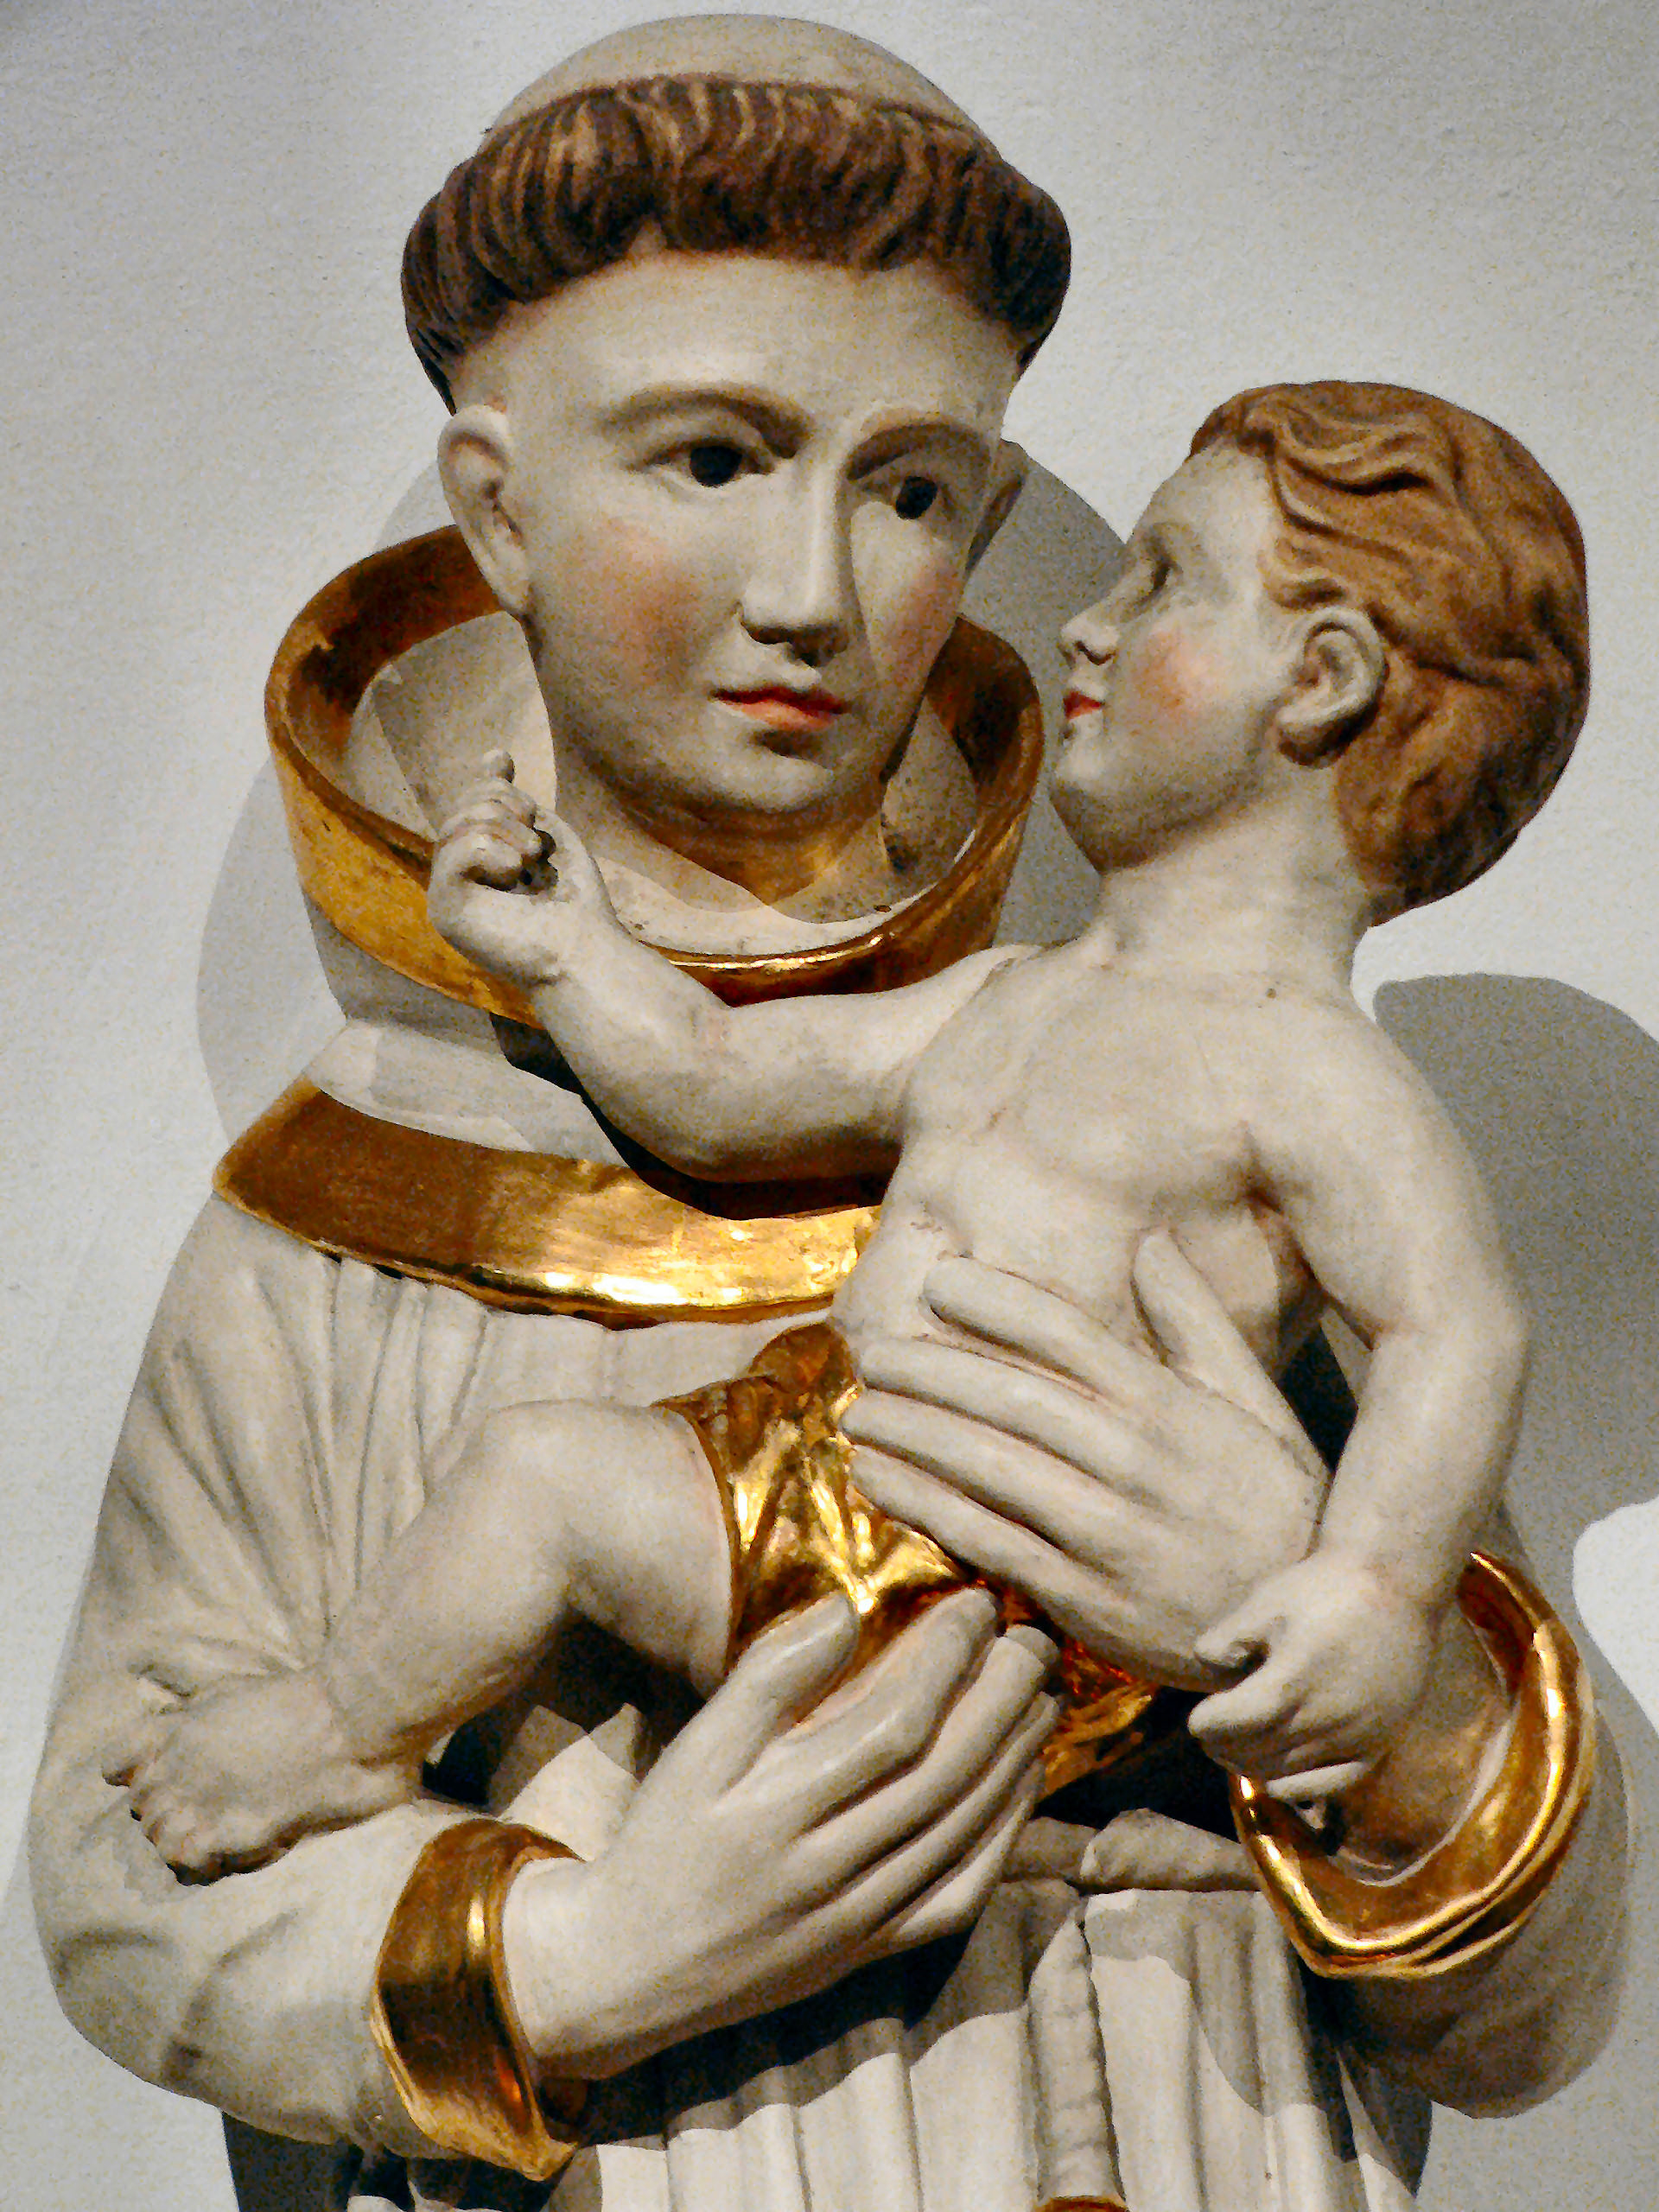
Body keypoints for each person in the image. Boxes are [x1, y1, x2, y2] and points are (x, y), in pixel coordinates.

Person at [31, 22, 1624, 2212]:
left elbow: (1537, 2008)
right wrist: (583, 1953)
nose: (809, 592)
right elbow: (123, 1869)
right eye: (710, 461)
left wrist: (1371, 1670)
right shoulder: (346, 1211)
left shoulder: (1210, 1142)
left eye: (909, 492)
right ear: (498, 510)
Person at [116, 378, 1588, 1866]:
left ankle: (350, 1746)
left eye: (1161, 582)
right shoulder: (1016, 992)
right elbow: (719, 1081)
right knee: (534, 1479)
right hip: (811, 1467)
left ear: (1323, 681)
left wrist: (1375, 1591)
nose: (1085, 625)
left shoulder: (1317, 1077)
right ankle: (348, 1740)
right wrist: (565, 950)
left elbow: (1457, 1330)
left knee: (563, 1514)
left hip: (994, 1584)